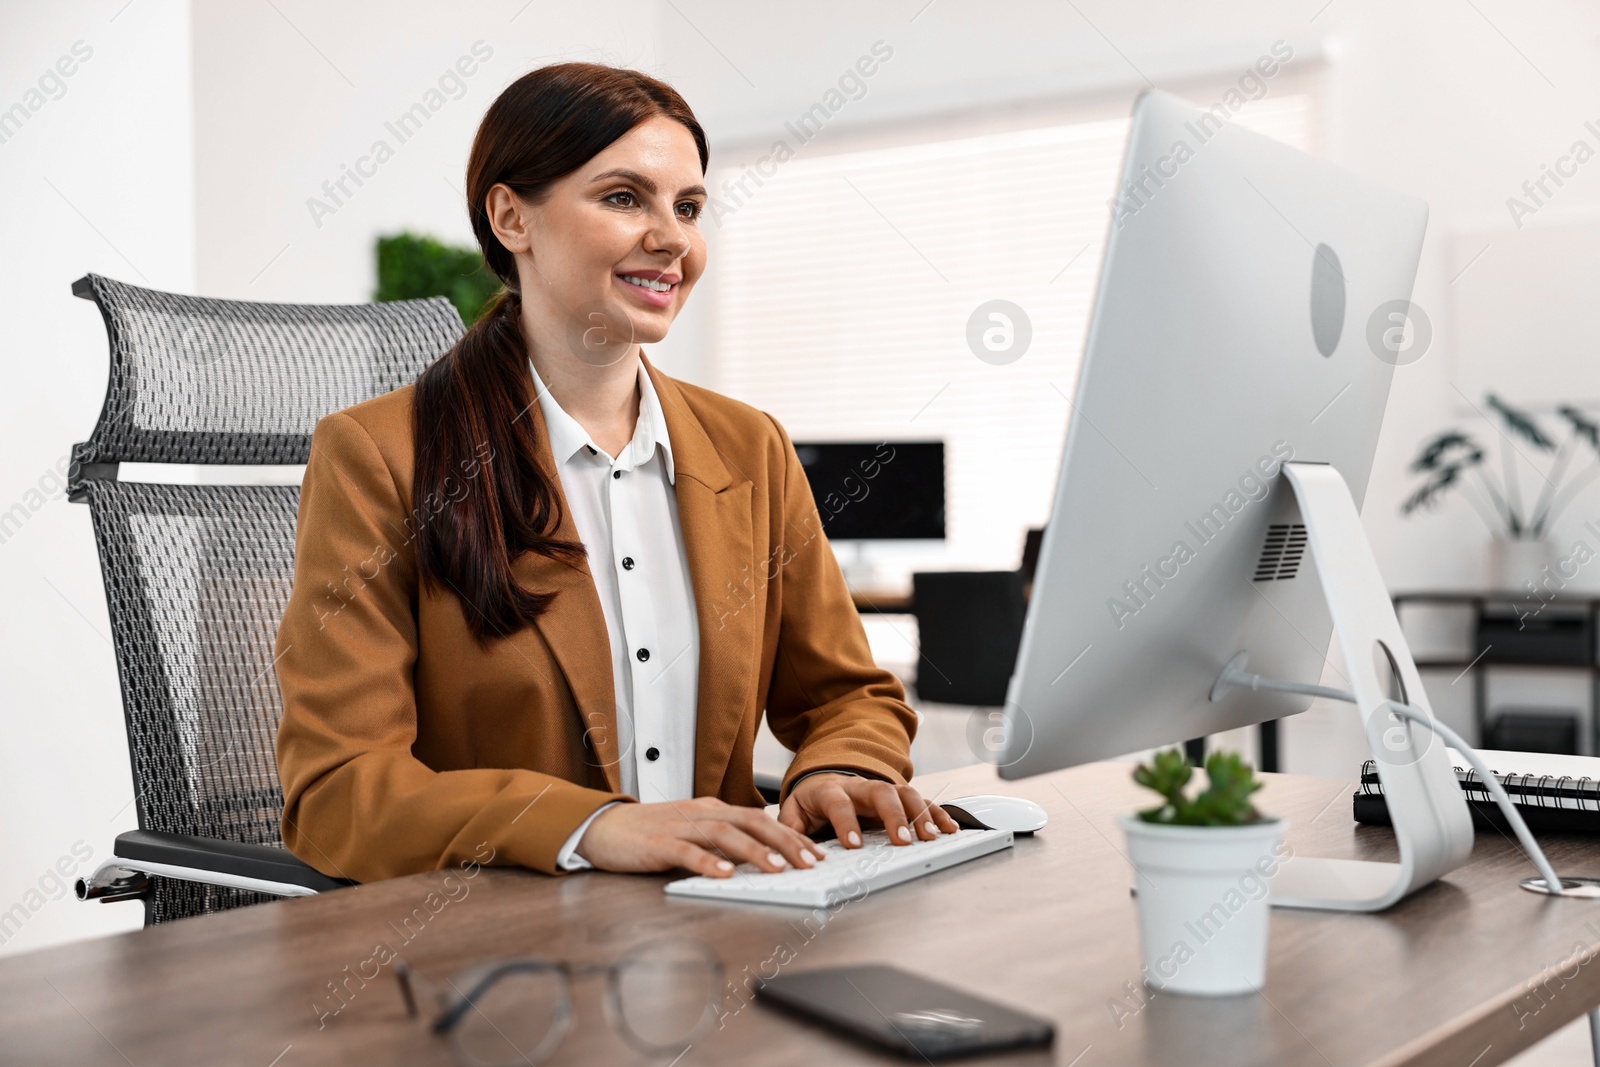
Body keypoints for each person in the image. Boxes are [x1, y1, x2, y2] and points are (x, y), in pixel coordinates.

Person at [273, 62, 958, 885]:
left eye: (690, 207)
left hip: (729, 926)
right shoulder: (380, 455)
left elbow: (849, 695)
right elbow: (338, 792)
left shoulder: (750, 448)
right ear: (510, 217)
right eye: (625, 197)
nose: (674, 238)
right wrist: (592, 827)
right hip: (495, 958)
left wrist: (835, 771)